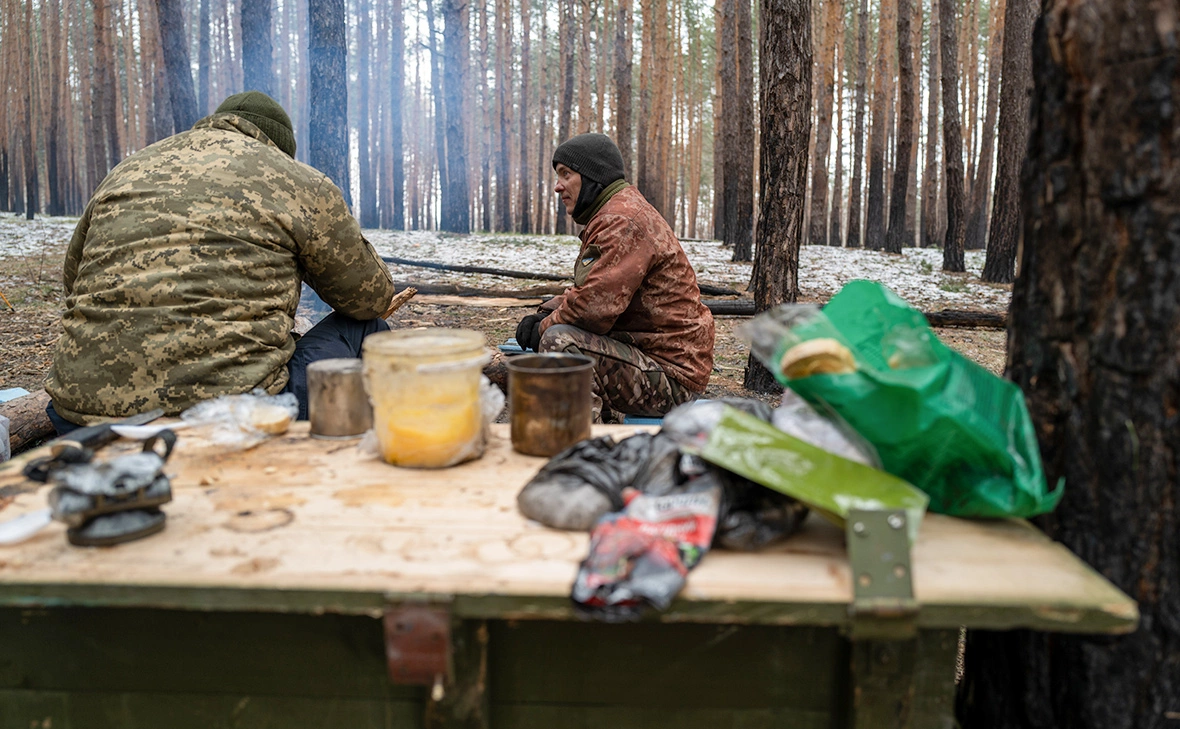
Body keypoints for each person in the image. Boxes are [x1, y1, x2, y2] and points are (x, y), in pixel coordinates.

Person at [45, 91, 399, 430]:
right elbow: (371, 298)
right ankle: (354, 456)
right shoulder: (298, 182)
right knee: (365, 329)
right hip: (233, 419)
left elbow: (73, 281)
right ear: (279, 148)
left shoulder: (127, 170)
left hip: (81, 415)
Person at [515, 133, 715, 422]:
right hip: (654, 362)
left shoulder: (621, 221)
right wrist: (546, 311)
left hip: (672, 379)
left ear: (592, 176)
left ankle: (584, 450)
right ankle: (608, 426)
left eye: (566, 174)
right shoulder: (616, 213)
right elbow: (593, 289)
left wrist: (544, 328)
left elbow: (593, 309)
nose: (558, 187)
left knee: (561, 343)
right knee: (560, 330)